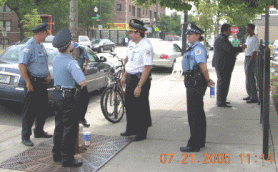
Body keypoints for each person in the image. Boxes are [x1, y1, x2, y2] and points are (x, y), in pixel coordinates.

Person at [51, 28, 87, 167]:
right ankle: (67, 159)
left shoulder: (55, 59)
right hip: (67, 98)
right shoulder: (71, 63)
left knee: (58, 126)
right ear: (68, 46)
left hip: (56, 95)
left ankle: (57, 154)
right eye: (71, 42)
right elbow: (82, 82)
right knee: (69, 129)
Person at [180, 23, 215, 152]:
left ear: (198, 35)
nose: (188, 36)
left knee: (194, 113)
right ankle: (199, 141)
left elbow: (203, 67)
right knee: (198, 113)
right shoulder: (194, 48)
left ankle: (194, 144)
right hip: (193, 83)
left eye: (191, 34)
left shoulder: (198, 48)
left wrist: (208, 80)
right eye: (188, 34)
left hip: (195, 83)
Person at [18, 23, 52, 147]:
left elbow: (44, 62)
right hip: (33, 82)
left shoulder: (41, 46)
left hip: (42, 82)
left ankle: (39, 131)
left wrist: (47, 73)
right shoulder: (28, 46)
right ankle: (25, 136)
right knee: (29, 111)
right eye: (45, 33)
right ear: (39, 34)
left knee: (43, 109)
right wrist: (27, 81)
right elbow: (22, 65)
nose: (47, 35)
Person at [120, 19, 153, 141]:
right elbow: (128, 59)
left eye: (131, 32)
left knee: (140, 107)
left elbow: (147, 67)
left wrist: (139, 86)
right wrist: (124, 75)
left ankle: (141, 133)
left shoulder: (146, 47)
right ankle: (131, 129)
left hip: (140, 79)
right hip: (130, 77)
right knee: (129, 104)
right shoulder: (132, 43)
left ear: (138, 33)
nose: (129, 34)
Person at [212, 24, 246, 107]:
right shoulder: (221, 39)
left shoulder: (222, 38)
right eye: (229, 30)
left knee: (225, 83)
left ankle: (223, 100)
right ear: (225, 30)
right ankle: (220, 101)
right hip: (222, 65)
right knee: (223, 83)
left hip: (224, 65)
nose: (230, 32)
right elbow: (230, 49)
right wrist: (241, 48)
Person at [71, 41, 90, 127]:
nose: (75, 51)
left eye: (76, 49)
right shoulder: (68, 52)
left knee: (85, 97)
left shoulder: (82, 49)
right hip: (71, 78)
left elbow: (87, 58)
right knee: (75, 99)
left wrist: (85, 67)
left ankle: (82, 118)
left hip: (80, 75)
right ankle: (75, 119)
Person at [243, 23, 259, 103]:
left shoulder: (255, 38)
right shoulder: (248, 37)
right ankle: (250, 94)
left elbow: (255, 51)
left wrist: (251, 61)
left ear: (252, 29)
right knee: (247, 77)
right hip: (246, 57)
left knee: (251, 77)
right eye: (247, 29)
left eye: (248, 29)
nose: (247, 31)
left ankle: (254, 96)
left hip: (251, 58)